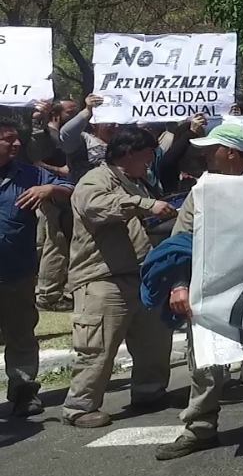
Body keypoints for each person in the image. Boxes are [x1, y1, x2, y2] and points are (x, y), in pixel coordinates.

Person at [153, 122, 243, 460]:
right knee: (203, 361)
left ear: (231, 152)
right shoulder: (201, 190)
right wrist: (179, 284)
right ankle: (200, 427)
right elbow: (179, 244)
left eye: (210, 148)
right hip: (207, 291)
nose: (203, 153)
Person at [61, 126, 176, 428]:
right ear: (128, 153)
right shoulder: (96, 179)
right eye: (147, 154)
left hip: (142, 275)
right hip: (103, 278)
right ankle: (80, 407)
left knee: (155, 340)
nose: (150, 161)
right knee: (96, 347)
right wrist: (145, 204)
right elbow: (94, 207)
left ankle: (149, 392)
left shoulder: (139, 182)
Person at [0, 118, 73, 418]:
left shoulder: (29, 173)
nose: (17, 144)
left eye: (17, 139)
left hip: (16, 272)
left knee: (20, 334)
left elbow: (71, 187)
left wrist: (47, 190)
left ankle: (23, 390)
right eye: (8, 139)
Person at [28, 101, 73, 311]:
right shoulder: (47, 136)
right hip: (48, 194)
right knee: (56, 243)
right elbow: (33, 161)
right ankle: (47, 295)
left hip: (57, 192)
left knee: (48, 242)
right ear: (56, 114)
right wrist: (59, 170)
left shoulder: (57, 134)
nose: (72, 115)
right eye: (70, 112)